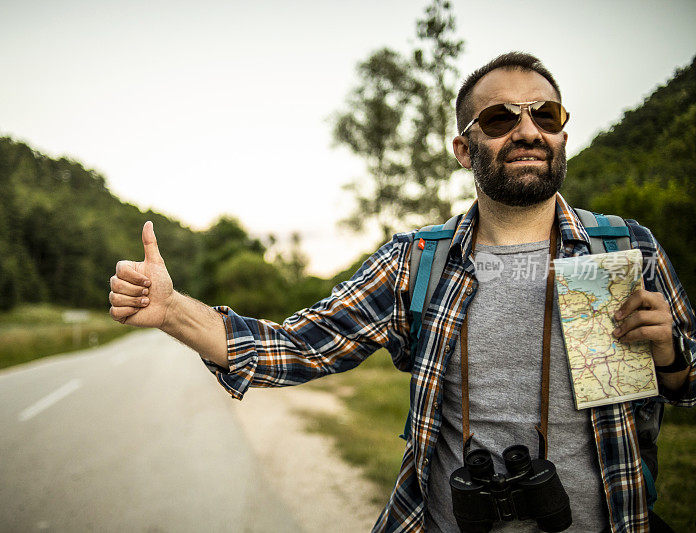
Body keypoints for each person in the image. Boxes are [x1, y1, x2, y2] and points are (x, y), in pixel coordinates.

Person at [108, 52, 694, 532]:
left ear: (562, 133)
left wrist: (669, 354)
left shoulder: (623, 248)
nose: (527, 131)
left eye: (546, 114)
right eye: (499, 119)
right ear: (463, 149)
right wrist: (170, 310)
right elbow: (299, 348)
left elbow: (688, 381)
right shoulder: (416, 263)